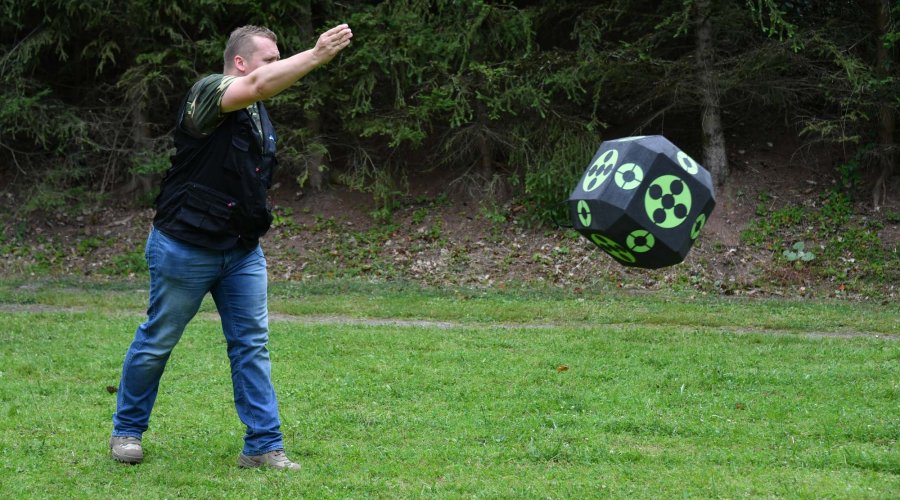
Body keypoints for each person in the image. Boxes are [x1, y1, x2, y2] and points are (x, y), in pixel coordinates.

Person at [109, 23, 352, 470]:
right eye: (269, 59)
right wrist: (315, 55)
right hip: (184, 246)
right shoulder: (207, 93)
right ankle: (126, 430)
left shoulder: (259, 113)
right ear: (240, 63)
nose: (276, 68)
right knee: (158, 340)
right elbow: (258, 85)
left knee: (251, 345)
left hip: (241, 251)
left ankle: (262, 445)